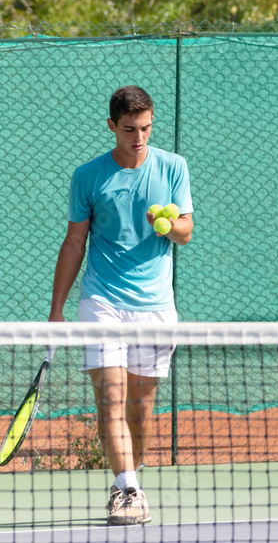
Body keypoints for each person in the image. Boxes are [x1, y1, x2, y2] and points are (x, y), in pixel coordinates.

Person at [48, 85, 193, 525]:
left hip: (155, 306)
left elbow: (185, 231)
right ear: (112, 126)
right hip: (102, 301)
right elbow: (75, 242)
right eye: (129, 129)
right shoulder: (88, 176)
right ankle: (127, 488)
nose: (139, 137)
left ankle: (134, 475)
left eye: (146, 128)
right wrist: (56, 311)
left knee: (140, 408)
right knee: (110, 399)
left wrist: (166, 227)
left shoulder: (173, 167)